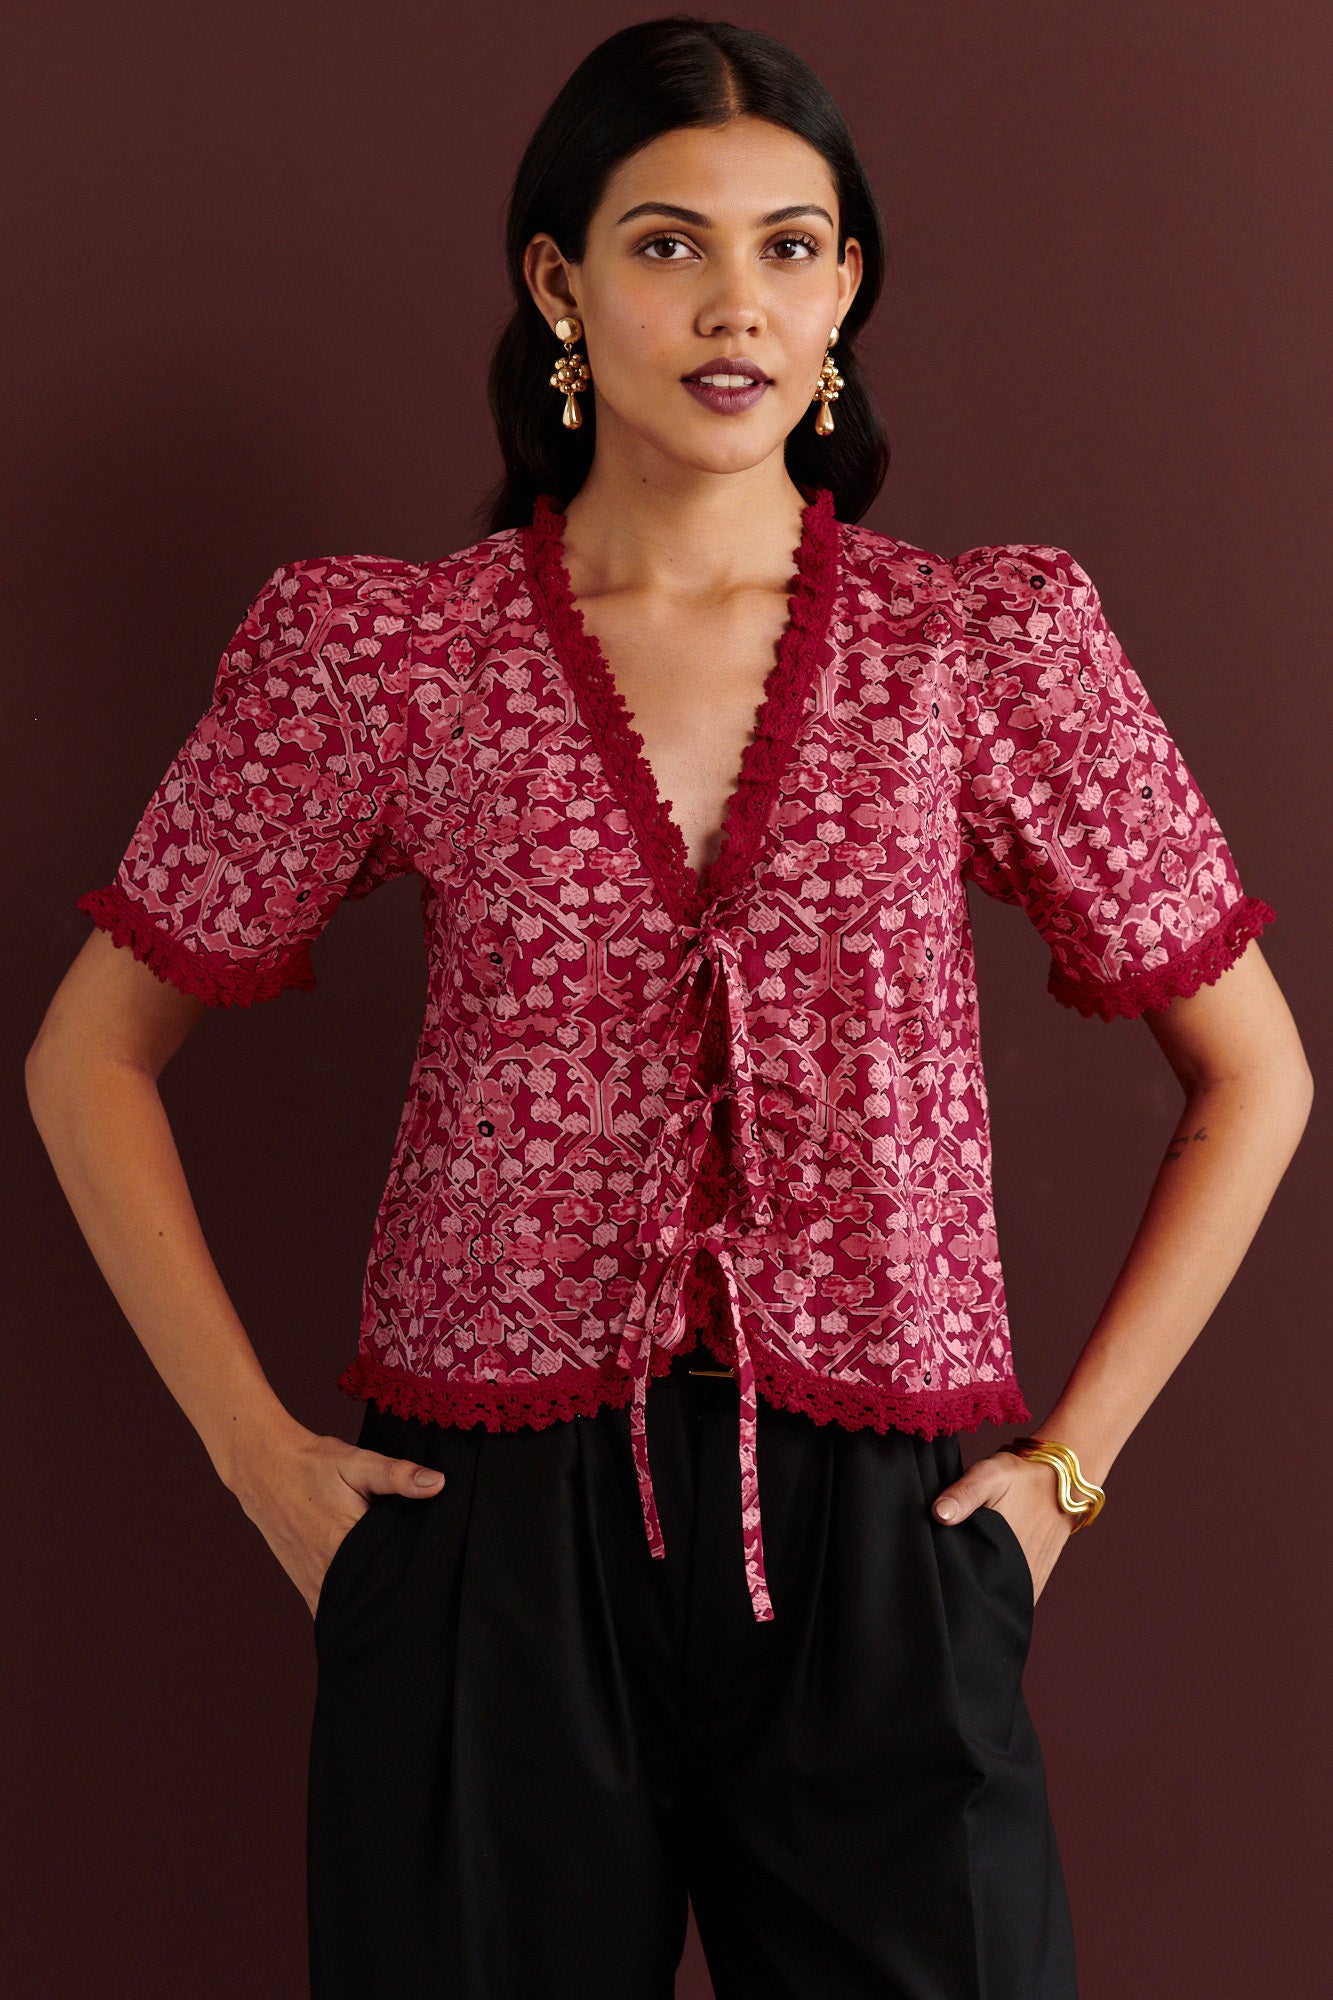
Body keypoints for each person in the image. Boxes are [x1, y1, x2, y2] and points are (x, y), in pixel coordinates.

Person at [26, 16, 1311, 2000]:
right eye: (665, 242)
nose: (738, 301)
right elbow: (87, 1054)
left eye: (794, 247)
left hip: (890, 1530)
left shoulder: (988, 642)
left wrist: (1062, 1483)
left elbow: (1254, 1073)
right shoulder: (383, 655)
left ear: (848, 290)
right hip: (488, 1536)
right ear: (558, 280)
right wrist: (259, 1463)